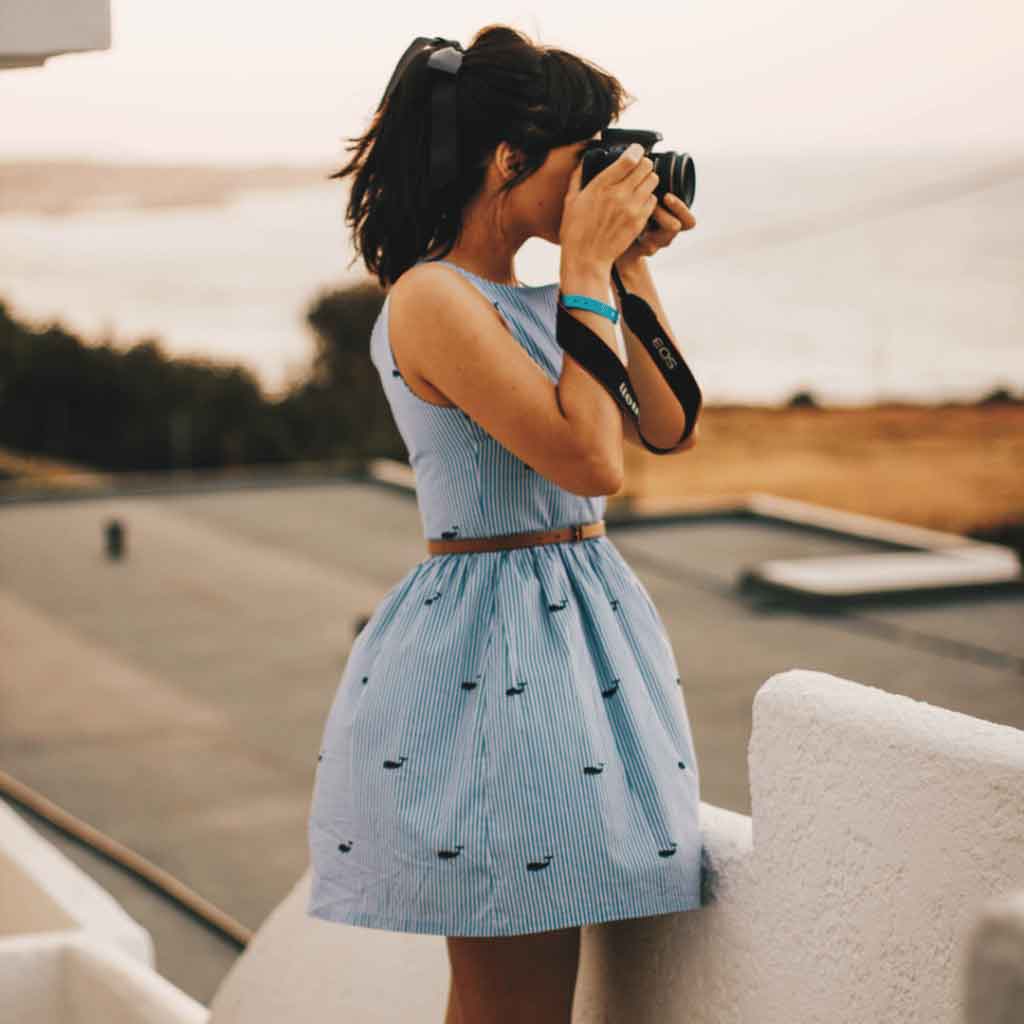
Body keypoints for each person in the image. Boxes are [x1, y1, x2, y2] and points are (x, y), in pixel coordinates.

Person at [307, 23, 705, 1024]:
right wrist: (583, 266)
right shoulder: (431, 298)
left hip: (574, 641)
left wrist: (626, 264)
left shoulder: (547, 296)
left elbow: (666, 423)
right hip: (494, 657)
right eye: (588, 159)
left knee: (535, 993)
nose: (603, 180)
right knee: (513, 1004)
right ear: (507, 159)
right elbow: (590, 459)